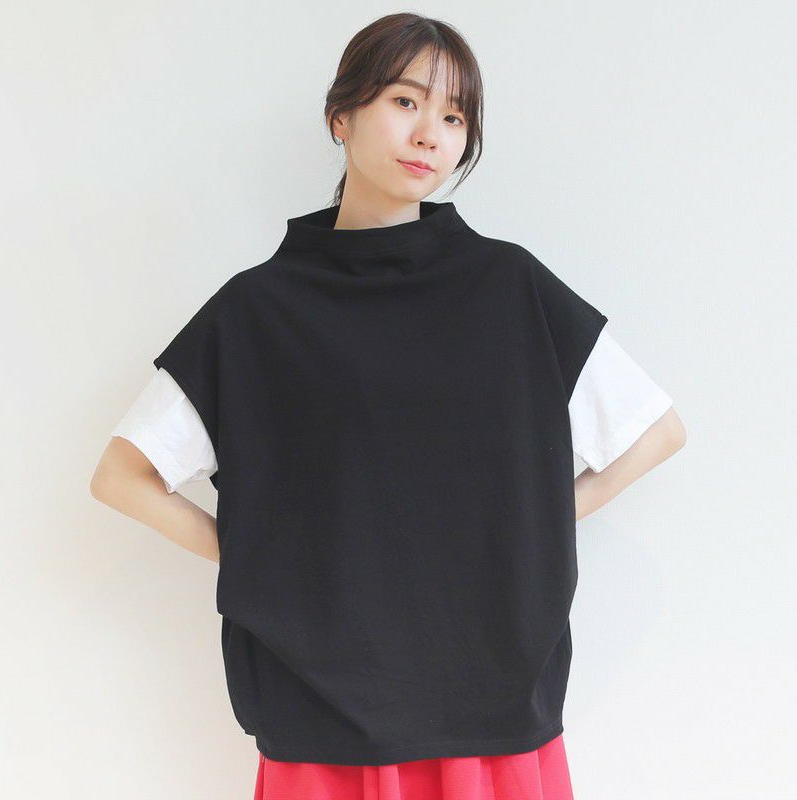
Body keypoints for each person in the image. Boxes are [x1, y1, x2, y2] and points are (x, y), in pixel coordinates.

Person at [91, 12, 686, 800]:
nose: (430, 135)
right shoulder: (258, 312)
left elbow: (656, 432)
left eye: (454, 117)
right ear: (341, 116)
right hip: (321, 707)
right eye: (406, 102)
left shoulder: (510, 289)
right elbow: (123, 476)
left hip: (490, 697)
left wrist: (533, 522)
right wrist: (262, 558)